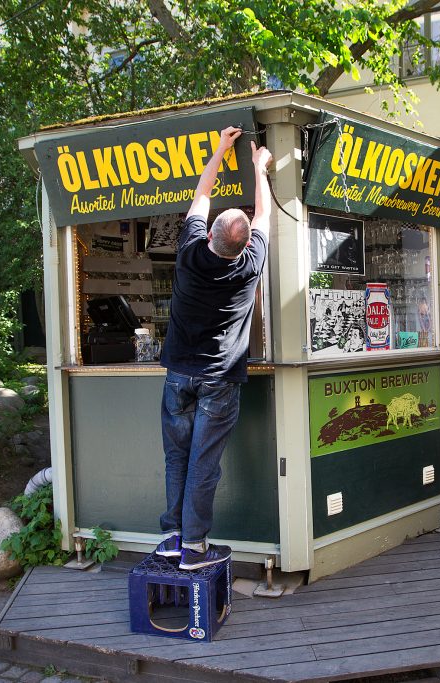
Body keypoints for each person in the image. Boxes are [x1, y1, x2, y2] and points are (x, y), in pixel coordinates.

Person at [155, 127, 273, 570]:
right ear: (242, 244)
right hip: (219, 381)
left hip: (178, 376)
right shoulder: (250, 263)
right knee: (204, 464)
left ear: (208, 236)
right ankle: (194, 547)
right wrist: (259, 167)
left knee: (177, 457)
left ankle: (171, 535)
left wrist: (222, 147)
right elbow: (263, 214)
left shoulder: (188, 252)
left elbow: (202, 191)